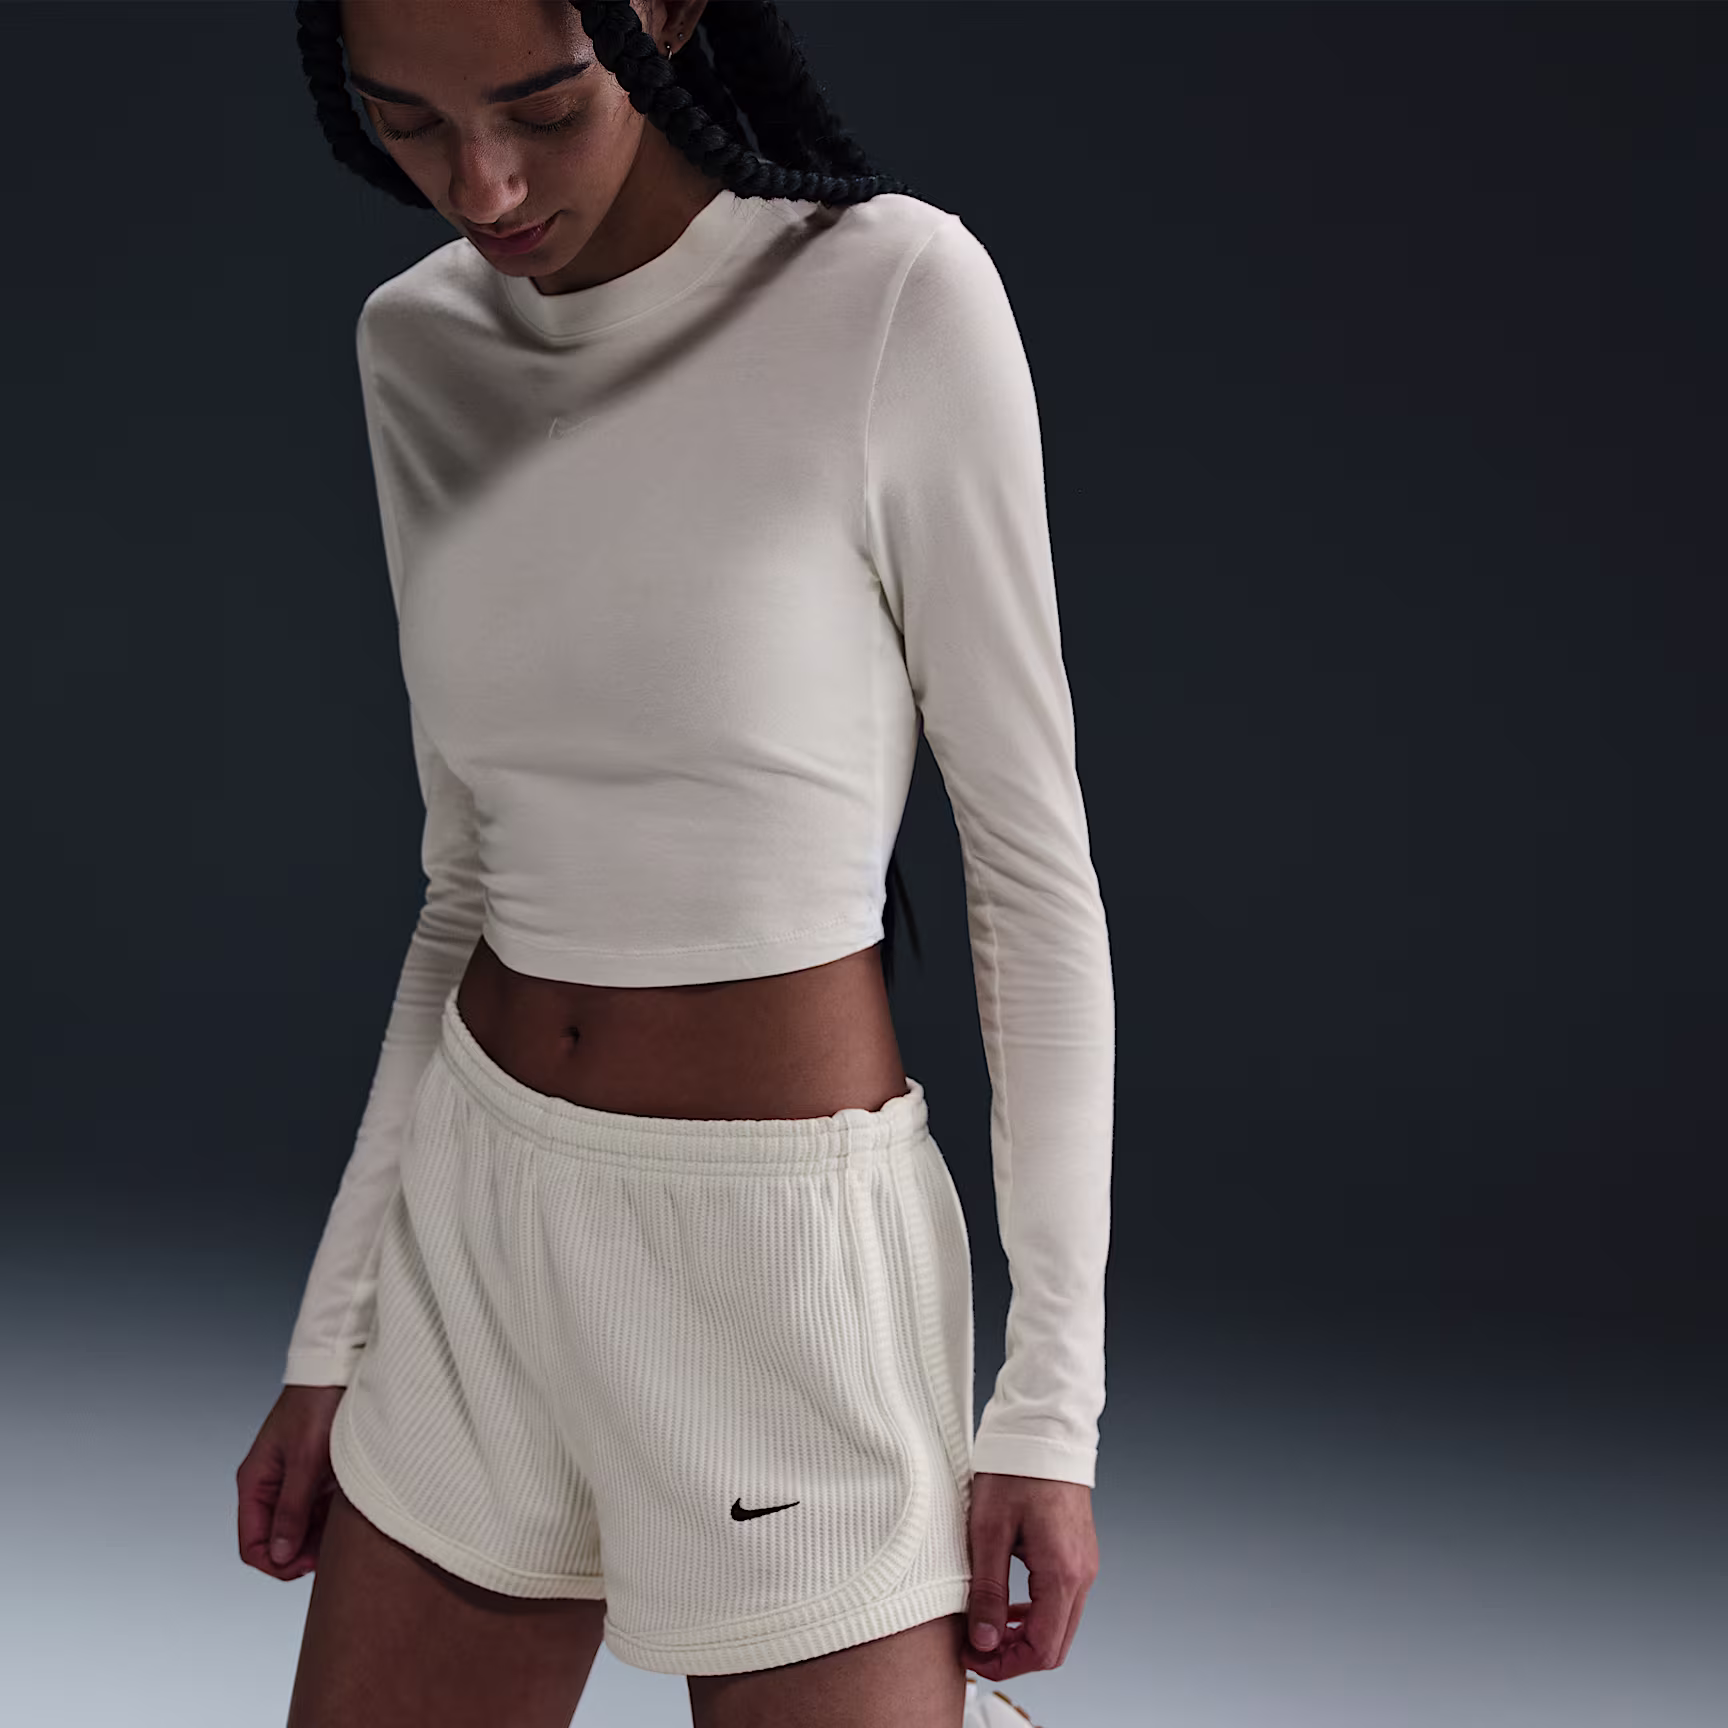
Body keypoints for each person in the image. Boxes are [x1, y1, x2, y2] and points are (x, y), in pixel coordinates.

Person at [235, 3, 1115, 1724]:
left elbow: (1031, 880)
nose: (482, 184)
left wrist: (1048, 1409)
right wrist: (335, 1330)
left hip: (775, 1278)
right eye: (407, 123)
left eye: (543, 108)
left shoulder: (890, 298)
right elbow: (467, 884)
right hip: (477, 1244)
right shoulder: (417, 345)